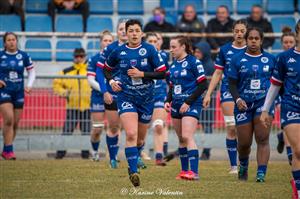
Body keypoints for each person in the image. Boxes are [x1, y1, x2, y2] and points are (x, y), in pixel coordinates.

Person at [103, 19, 166, 187]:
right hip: (126, 97)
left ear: (142, 33)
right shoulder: (118, 51)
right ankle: (133, 172)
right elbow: (106, 69)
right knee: (130, 134)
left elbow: (162, 74)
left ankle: (135, 157)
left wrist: (142, 74)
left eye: (137, 30)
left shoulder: (150, 50)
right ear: (126, 33)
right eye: (130, 30)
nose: (133, 33)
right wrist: (111, 83)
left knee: (139, 140)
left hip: (146, 99)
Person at [228, 27, 276, 182]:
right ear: (246, 40)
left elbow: (277, 83)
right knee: (244, 142)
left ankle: (261, 173)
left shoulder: (270, 59)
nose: (253, 41)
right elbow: (232, 84)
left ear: (261, 40)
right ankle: (243, 165)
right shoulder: (236, 59)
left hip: (263, 103)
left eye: (256, 38)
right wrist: (238, 100)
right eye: (251, 38)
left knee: (262, 138)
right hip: (243, 104)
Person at [260, 20, 300, 199]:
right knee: (298, 150)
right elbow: (275, 86)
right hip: (292, 106)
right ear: (297, 33)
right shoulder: (284, 58)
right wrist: (265, 109)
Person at [203, 20, 247, 173]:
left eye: (242, 31)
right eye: (236, 31)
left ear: (246, 32)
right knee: (231, 127)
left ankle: (243, 163)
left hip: (247, 92)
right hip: (228, 90)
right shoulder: (225, 49)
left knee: (244, 130)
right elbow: (217, 72)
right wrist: (208, 94)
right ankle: (234, 166)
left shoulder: (252, 48)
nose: (239, 34)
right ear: (233, 32)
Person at [165, 35, 207, 180]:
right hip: (176, 105)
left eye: (173, 47)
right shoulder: (174, 65)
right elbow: (172, 86)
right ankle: (184, 171)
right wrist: (168, 100)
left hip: (191, 104)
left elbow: (203, 85)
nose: (171, 50)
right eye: (170, 47)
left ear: (183, 47)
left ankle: (194, 173)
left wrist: (188, 102)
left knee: (188, 136)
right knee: (181, 139)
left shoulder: (194, 62)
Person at [95, 20, 127, 168]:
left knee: (134, 129)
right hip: (113, 94)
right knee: (114, 127)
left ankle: (137, 155)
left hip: (133, 94)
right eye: (121, 29)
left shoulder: (141, 48)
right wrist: (105, 91)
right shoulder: (110, 49)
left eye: (127, 29)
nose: (124, 31)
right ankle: (113, 158)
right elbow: (99, 71)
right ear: (117, 32)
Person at [0, 32, 36, 160]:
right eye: (8, 40)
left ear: (16, 41)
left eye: (13, 39)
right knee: (8, 119)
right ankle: (9, 151)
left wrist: (29, 85)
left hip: (19, 92)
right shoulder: (1, 55)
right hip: (4, 91)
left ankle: (6, 150)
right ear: (4, 43)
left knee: (15, 123)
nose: (11, 42)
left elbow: (31, 71)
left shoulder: (24, 55)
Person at [53, 48, 91, 159]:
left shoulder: (90, 70)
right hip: (72, 107)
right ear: (74, 57)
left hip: (87, 107)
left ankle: (85, 155)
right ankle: (60, 154)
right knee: (67, 131)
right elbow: (56, 84)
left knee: (86, 132)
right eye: (77, 56)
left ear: (85, 57)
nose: (79, 58)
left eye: (81, 56)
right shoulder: (66, 71)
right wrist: (65, 93)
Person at [87, 30, 114, 162]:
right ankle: (95, 151)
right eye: (105, 40)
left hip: (113, 97)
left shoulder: (117, 58)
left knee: (113, 127)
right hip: (98, 96)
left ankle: (111, 156)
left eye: (110, 41)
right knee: (98, 127)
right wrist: (105, 91)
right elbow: (91, 80)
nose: (108, 43)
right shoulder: (94, 59)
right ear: (100, 43)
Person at [145, 32, 169, 166]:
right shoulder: (140, 56)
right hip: (143, 95)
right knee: (140, 128)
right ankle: (138, 152)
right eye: (150, 41)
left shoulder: (163, 56)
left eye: (155, 41)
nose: (153, 44)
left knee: (158, 125)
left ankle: (159, 156)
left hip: (159, 94)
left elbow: (166, 74)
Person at [275, 26, 296, 165]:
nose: (288, 44)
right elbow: (275, 84)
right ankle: (290, 155)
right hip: (285, 99)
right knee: (287, 126)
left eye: (290, 42)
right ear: (282, 43)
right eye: (285, 42)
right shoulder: (279, 59)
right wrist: (277, 101)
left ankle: (282, 137)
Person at [193, 41, 215, 160]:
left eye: (199, 52)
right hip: (195, 99)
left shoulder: (210, 66)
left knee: (207, 126)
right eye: (195, 51)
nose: (196, 54)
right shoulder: (195, 63)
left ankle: (206, 151)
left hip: (207, 101)